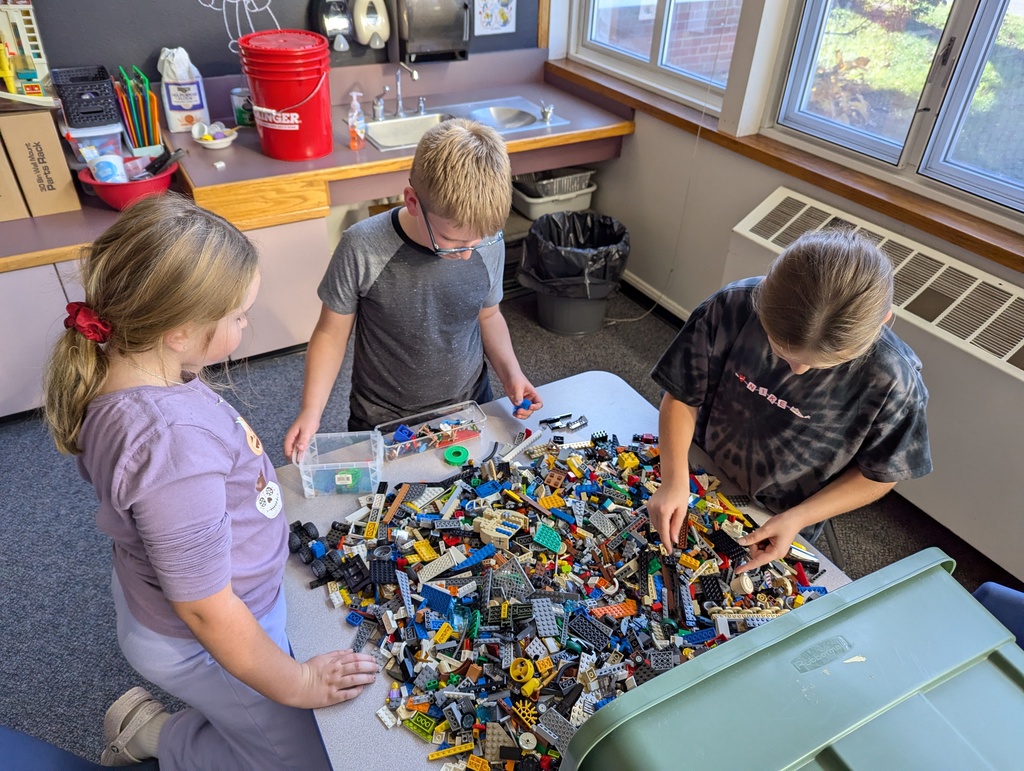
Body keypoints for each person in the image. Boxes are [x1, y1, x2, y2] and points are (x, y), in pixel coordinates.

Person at [43, 194, 377, 770]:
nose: (248, 324)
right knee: (298, 758)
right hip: (206, 635)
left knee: (252, 713)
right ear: (178, 331)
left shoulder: (144, 368)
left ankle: (218, 720)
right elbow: (206, 611)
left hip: (200, 606)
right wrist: (296, 683)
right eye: (240, 316)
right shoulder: (170, 444)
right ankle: (159, 739)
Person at [647, 229, 932, 572]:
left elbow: (880, 474)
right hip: (701, 464)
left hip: (788, 511)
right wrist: (673, 478)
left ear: (881, 323)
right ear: (763, 293)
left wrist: (798, 518)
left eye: (822, 364)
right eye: (779, 351)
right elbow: (682, 394)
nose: (797, 371)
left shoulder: (894, 380)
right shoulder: (732, 306)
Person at [284, 118, 542, 460]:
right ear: (412, 202)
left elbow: (489, 315)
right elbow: (331, 334)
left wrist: (512, 374)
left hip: (468, 407)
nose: (467, 253)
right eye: (453, 241)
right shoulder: (362, 247)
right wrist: (311, 410)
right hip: (385, 420)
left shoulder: (487, 244)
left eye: (477, 240)